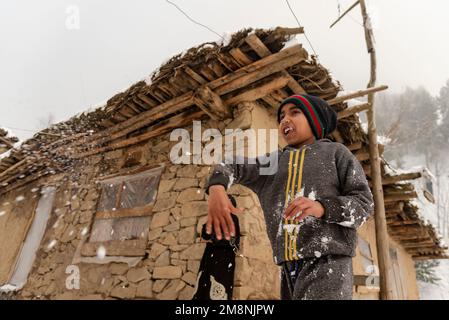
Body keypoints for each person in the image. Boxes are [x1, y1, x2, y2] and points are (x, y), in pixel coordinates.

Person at [204, 94, 374, 300]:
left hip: (329, 262)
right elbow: (232, 165)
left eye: (295, 112)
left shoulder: (337, 154)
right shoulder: (272, 163)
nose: (285, 119)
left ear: (315, 120)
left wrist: (322, 207)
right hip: (287, 267)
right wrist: (216, 189)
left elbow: (364, 206)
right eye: (281, 116)